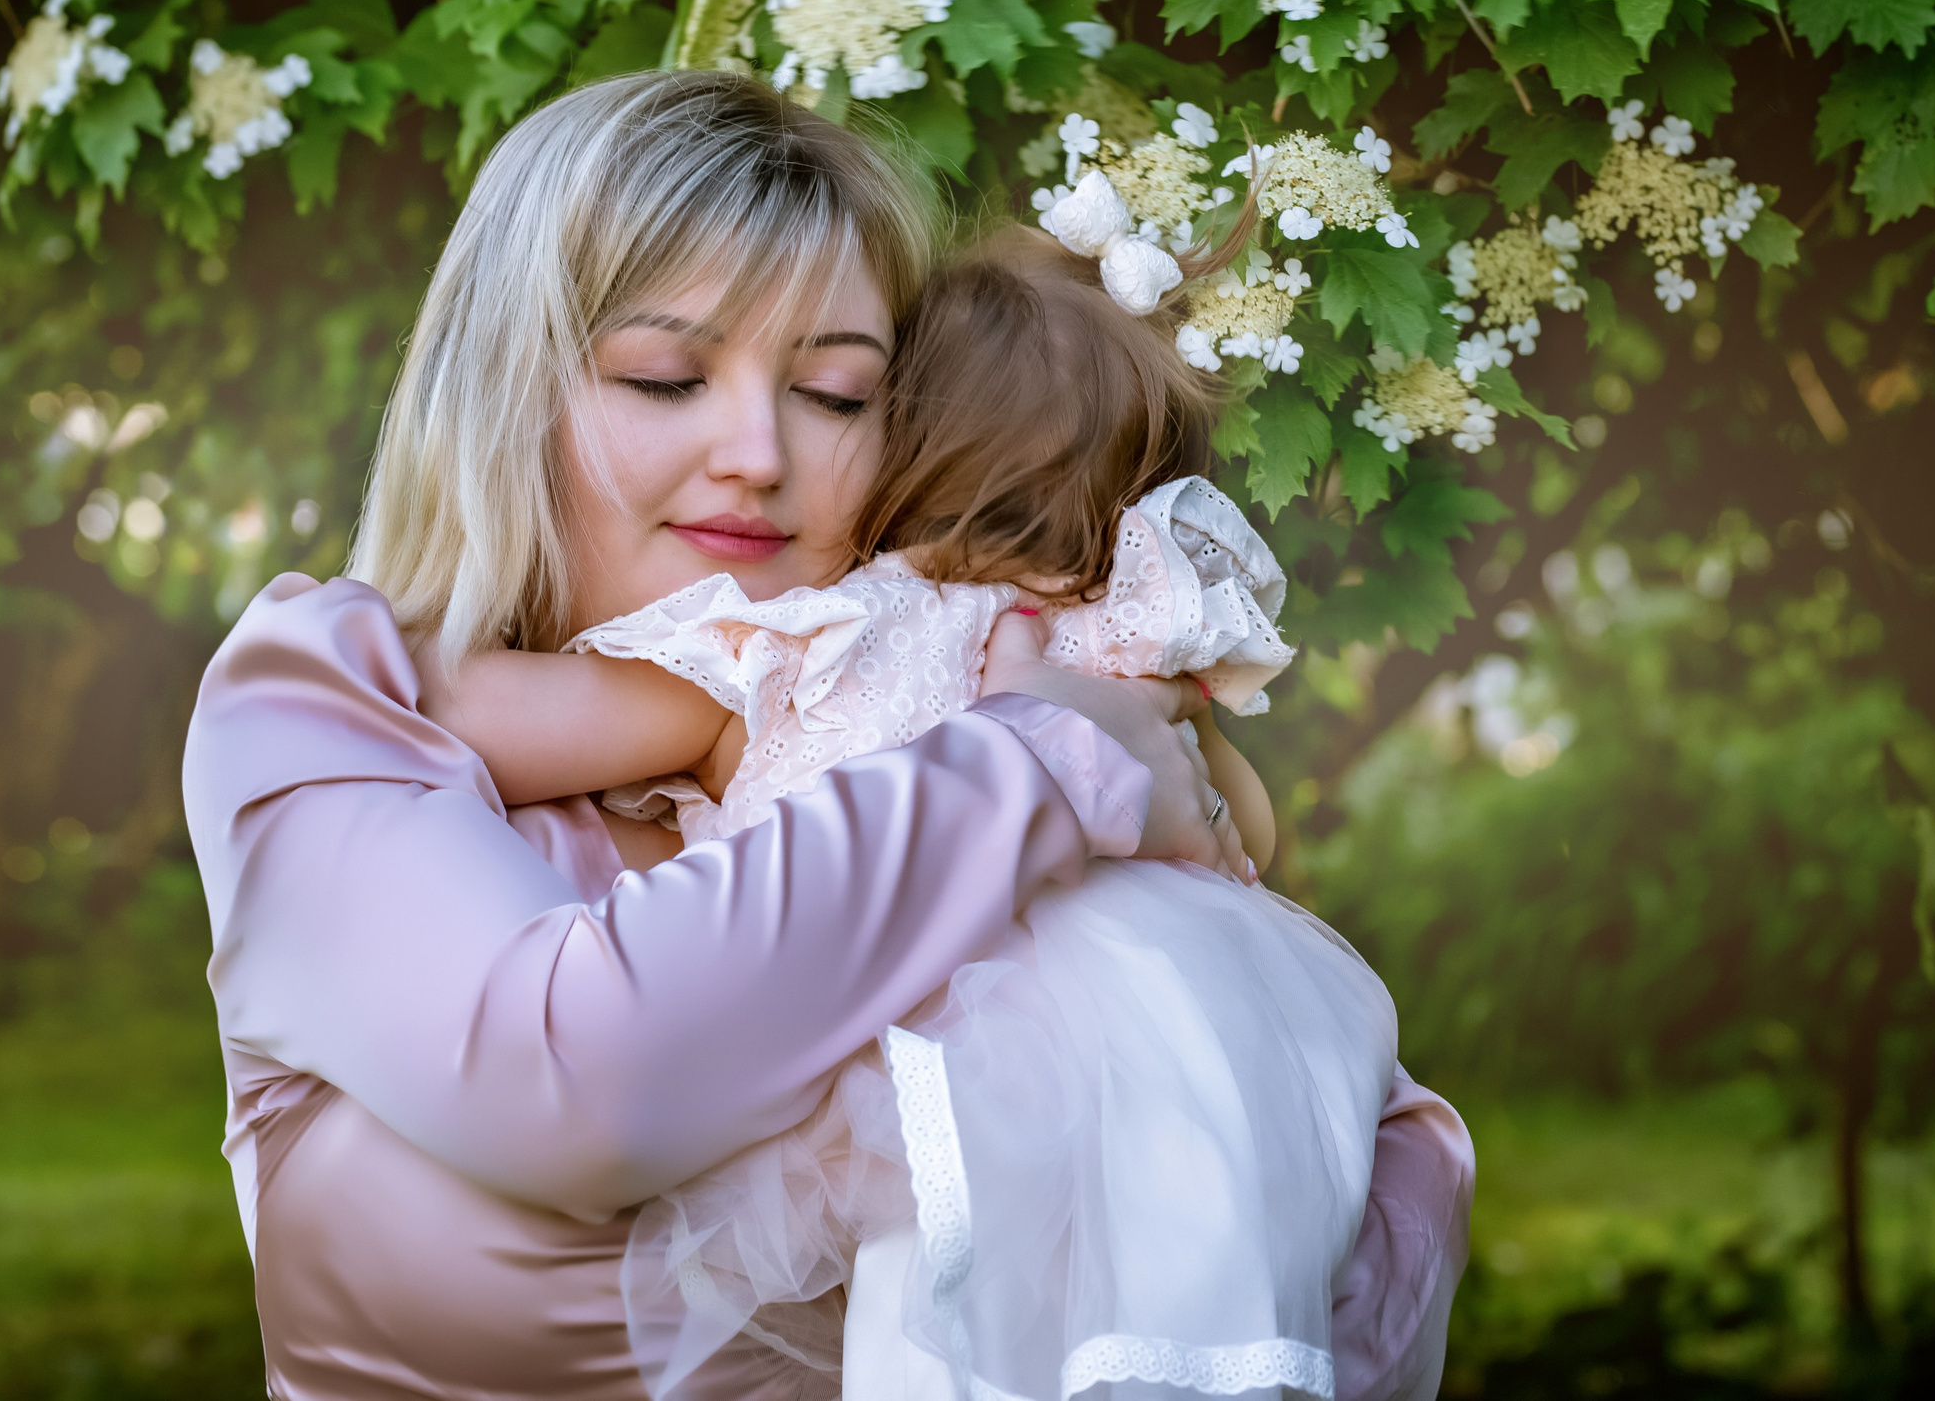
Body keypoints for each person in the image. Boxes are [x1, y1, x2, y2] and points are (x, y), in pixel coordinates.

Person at [182, 71, 1472, 1399]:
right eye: (668, 375)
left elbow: (1352, 1204)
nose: (756, 449)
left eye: (839, 394)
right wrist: (1038, 756)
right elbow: (581, 1076)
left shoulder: (961, 691)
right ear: (507, 394)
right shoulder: (331, 698)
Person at [421, 229, 1420, 1401]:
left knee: (931, 1305)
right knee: (1141, 1295)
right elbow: (1238, 834)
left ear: (896, 446)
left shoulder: (806, 642)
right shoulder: (1108, 658)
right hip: (1161, 1037)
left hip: (929, 1052)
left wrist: (360, 636)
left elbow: (471, 713)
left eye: (837, 399)